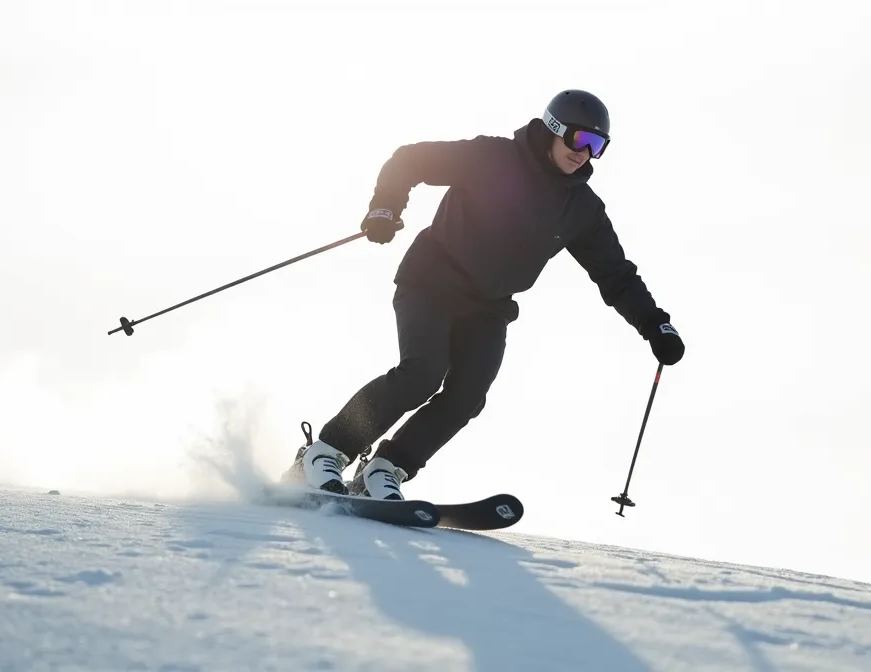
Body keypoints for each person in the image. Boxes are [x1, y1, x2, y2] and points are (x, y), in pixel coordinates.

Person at [282, 89, 685, 500]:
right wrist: (386, 207)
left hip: (488, 308)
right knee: (422, 373)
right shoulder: (493, 158)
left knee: (468, 395)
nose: (586, 153)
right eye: (580, 139)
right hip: (432, 282)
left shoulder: (581, 209)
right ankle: (325, 452)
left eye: (598, 146)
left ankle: (386, 470)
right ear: (553, 129)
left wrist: (656, 325)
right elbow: (411, 159)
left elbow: (616, 274)